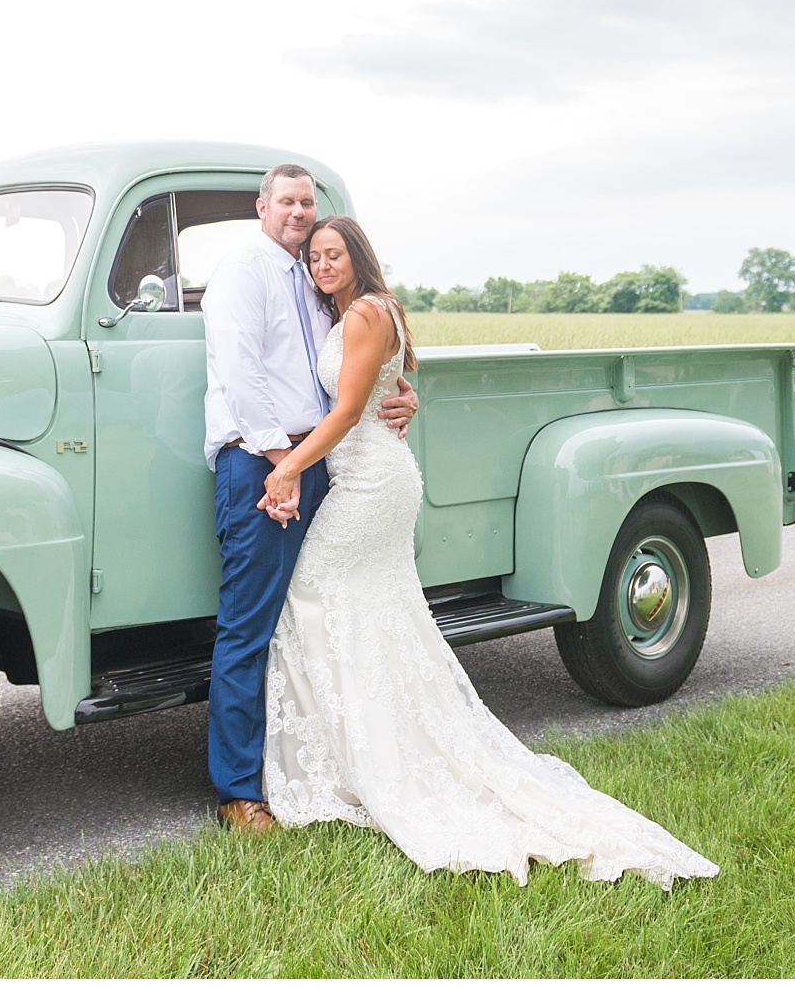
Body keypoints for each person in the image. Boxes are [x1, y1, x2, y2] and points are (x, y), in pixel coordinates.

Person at [257, 215, 719, 888]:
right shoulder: (368, 311)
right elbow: (387, 389)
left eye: (334, 254)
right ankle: (367, 749)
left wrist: (287, 467)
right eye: (315, 258)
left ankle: (361, 759)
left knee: (311, 595)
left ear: (356, 256)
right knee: (373, 615)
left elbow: (350, 409)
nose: (323, 265)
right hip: (374, 475)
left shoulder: (363, 314)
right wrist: (401, 398)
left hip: (371, 483)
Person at [201, 164, 418, 834]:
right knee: (250, 625)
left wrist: (402, 393)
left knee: (314, 619)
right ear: (261, 206)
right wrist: (281, 466)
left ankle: (318, 764)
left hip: (313, 462)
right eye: (286, 201)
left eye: (307, 202)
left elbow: (358, 369)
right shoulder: (244, 271)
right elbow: (240, 374)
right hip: (262, 463)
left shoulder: (312, 280)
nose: (298, 212)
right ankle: (239, 791)